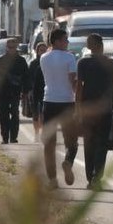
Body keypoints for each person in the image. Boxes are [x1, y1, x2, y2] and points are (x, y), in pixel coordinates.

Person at [76, 34, 113, 189]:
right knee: (102, 143)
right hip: (105, 109)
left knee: (89, 143)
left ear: (92, 46)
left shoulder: (83, 63)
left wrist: (77, 107)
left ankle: (90, 177)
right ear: (101, 45)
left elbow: (79, 87)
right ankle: (97, 176)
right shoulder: (112, 63)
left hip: (88, 109)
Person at [40, 28, 78, 188]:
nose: (67, 42)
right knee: (72, 140)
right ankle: (68, 161)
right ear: (56, 41)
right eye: (65, 39)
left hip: (49, 101)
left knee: (49, 143)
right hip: (67, 102)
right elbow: (72, 81)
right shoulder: (70, 58)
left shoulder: (43, 57)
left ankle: (52, 179)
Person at [0, 38, 29, 144]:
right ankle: (4, 137)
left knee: (15, 114)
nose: (11, 49)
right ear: (6, 47)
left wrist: (25, 92)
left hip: (16, 91)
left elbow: (26, 77)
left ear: (16, 47)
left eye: (13, 47)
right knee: (3, 115)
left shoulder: (21, 61)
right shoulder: (0, 60)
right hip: (3, 91)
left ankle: (13, 137)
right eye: (9, 47)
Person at [26, 41, 48, 143]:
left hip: (46, 91)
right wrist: (29, 90)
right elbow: (29, 78)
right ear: (37, 51)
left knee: (43, 114)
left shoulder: (49, 62)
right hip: (35, 91)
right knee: (35, 114)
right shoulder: (33, 64)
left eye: (44, 50)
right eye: (41, 50)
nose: (43, 52)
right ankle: (36, 133)